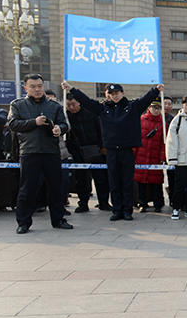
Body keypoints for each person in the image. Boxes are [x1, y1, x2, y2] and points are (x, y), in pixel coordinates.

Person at [63, 81, 163, 221]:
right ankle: (117, 210)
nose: (114, 96)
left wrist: (156, 90)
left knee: (127, 182)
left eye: (117, 93)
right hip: (111, 151)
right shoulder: (103, 108)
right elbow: (86, 101)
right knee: (114, 182)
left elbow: (146, 99)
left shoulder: (132, 106)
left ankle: (127, 210)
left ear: (123, 93)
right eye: (111, 94)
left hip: (127, 150)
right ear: (107, 95)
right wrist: (72, 89)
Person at [8, 74, 73, 233]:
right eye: (33, 86)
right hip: (29, 152)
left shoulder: (54, 106)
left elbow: (65, 124)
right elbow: (12, 123)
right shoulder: (18, 105)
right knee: (27, 189)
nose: (37, 89)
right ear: (26, 88)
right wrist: (34, 122)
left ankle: (58, 219)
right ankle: (23, 222)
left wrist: (59, 129)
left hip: (51, 152)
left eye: (39, 86)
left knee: (56, 188)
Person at [65, 96, 110, 213]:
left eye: (73, 104)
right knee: (81, 179)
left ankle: (103, 202)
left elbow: (100, 130)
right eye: (68, 105)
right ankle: (83, 203)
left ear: (79, 103)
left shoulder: (90, 113)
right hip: (77, 151)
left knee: (100, 178)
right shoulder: (66, 116)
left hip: (95, 149)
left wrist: (103, 147)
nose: (71, 107)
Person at [134, 101, 166, 212]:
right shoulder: (141, 120)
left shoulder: (163, 123)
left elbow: (164, 142)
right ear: (149, 107)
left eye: (158, 107)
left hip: (155, 156)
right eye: (154, 107)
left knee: (156, 181)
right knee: (141, 181)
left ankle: (158, 204)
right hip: (141, 155)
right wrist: (134, 154)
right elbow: (135, 139)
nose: (156, 110)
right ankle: (142, 203)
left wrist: (163, 157)